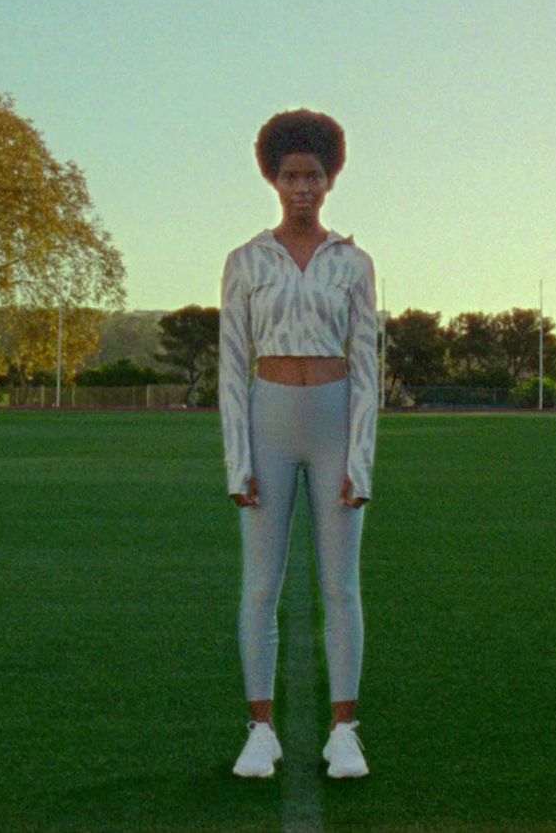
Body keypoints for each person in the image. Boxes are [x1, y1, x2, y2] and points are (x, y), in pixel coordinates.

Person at [219, 109, 378, 779]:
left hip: (336, 419)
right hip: (269, 418)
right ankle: (261, 728)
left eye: (314, 175)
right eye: (291, 175)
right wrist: (239, 459)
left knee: (341, 584)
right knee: (261, 585)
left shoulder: (355, 262)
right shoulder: (246, 260)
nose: (303, 187)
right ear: (272, 177)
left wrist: (360, 457)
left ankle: (345, 731)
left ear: (331, 177)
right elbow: (232, 364)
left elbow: (368, 364)